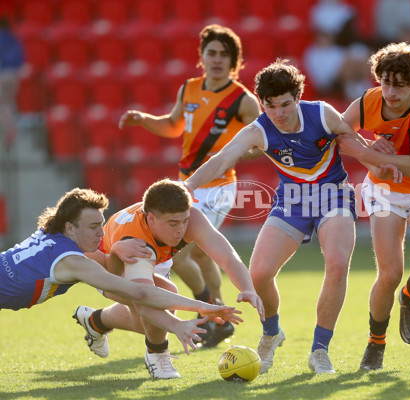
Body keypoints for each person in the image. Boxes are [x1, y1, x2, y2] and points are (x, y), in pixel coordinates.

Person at [185, 59, 394, 374]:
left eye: (285, 104)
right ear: (262, 103)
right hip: (292, 201)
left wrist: (376, 157)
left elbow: (352, 141)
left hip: (334, 195)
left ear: (298, 97)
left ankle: (319, 351)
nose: (279, 113)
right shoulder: (258, 129)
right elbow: (222, 159)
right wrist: (186, 186)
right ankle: (271, 333)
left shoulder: (322, 113)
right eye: (271, 106)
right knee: (259, 274)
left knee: (337, 263)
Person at [118, 24, 262, 347]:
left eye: (225, 54)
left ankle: (208, 309)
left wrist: (231, 155)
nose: (217, 59)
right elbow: (173, 126)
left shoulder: (243, 99)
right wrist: (144, 120)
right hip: (187, 184)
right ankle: (217, 316)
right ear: (202, 57)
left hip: (220, 185)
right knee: (200, 254)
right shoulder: (189, 88)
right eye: (211, 52)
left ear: (234, 61)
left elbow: (262, 142)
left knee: (184, 253)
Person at [0, 188, 243, 354]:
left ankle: (97, 321)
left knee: (153, 312)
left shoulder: (52, 230)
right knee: (149, 313)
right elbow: (140, 293)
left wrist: (115, 249)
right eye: (94, 227)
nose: (101, 233)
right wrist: (199, 308)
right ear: (70, 228)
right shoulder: (72, 261)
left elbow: (121, 280)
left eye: (101, 225)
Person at [337, 42, 410, 371]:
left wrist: (372, 156)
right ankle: (376, 343)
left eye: (399, 85)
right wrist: (368, 146)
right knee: (389, 274)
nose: (390, 92)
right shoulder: (367, 101)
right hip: (385, 190)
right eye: (385, 82)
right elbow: (340, 136)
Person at [77, 179, 264, 379]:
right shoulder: (136, 242)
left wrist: (248, 288)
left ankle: (96, 321)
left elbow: (226, 255)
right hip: (106, 269)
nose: (180, 230)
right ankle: (157, 355)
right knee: (162, 304)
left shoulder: (192, 218)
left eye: (184, 221)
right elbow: (143, 298)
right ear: (151, 218)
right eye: (173, 223)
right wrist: (179, 322)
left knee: (148, 323)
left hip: (149, 259)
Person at [0, 17, 24, 148]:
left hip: (3, 75)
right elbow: (21, 59)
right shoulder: (15, 39)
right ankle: (12, 129)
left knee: (3, 105)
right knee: (9, 103)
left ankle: (8, 131)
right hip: (14, 75)